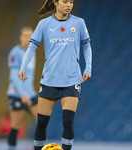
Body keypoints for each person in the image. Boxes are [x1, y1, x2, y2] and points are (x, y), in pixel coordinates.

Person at [19, 0, 92, 150]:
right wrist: (23, 67)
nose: (69, 5)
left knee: (68, 121)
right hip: (50, 80)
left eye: (71, 2)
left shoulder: (79, 23)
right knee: (41, 122)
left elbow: (86, 46)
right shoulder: (44, 24)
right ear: (55, 2)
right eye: (65, 1)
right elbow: (32, 47)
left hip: (72, 79)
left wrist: (88, 68)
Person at [7, 26, 38, 150]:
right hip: (16, 94)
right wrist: (23, 94)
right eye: (25, 35)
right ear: (20, 38)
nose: (28, 38)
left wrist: (30, 93)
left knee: (42, 121)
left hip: (30, 93)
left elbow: (29, 77)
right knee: (16, 126)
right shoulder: (16, 52)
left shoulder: (32, 52)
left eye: (30, 36)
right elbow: (14, 77)